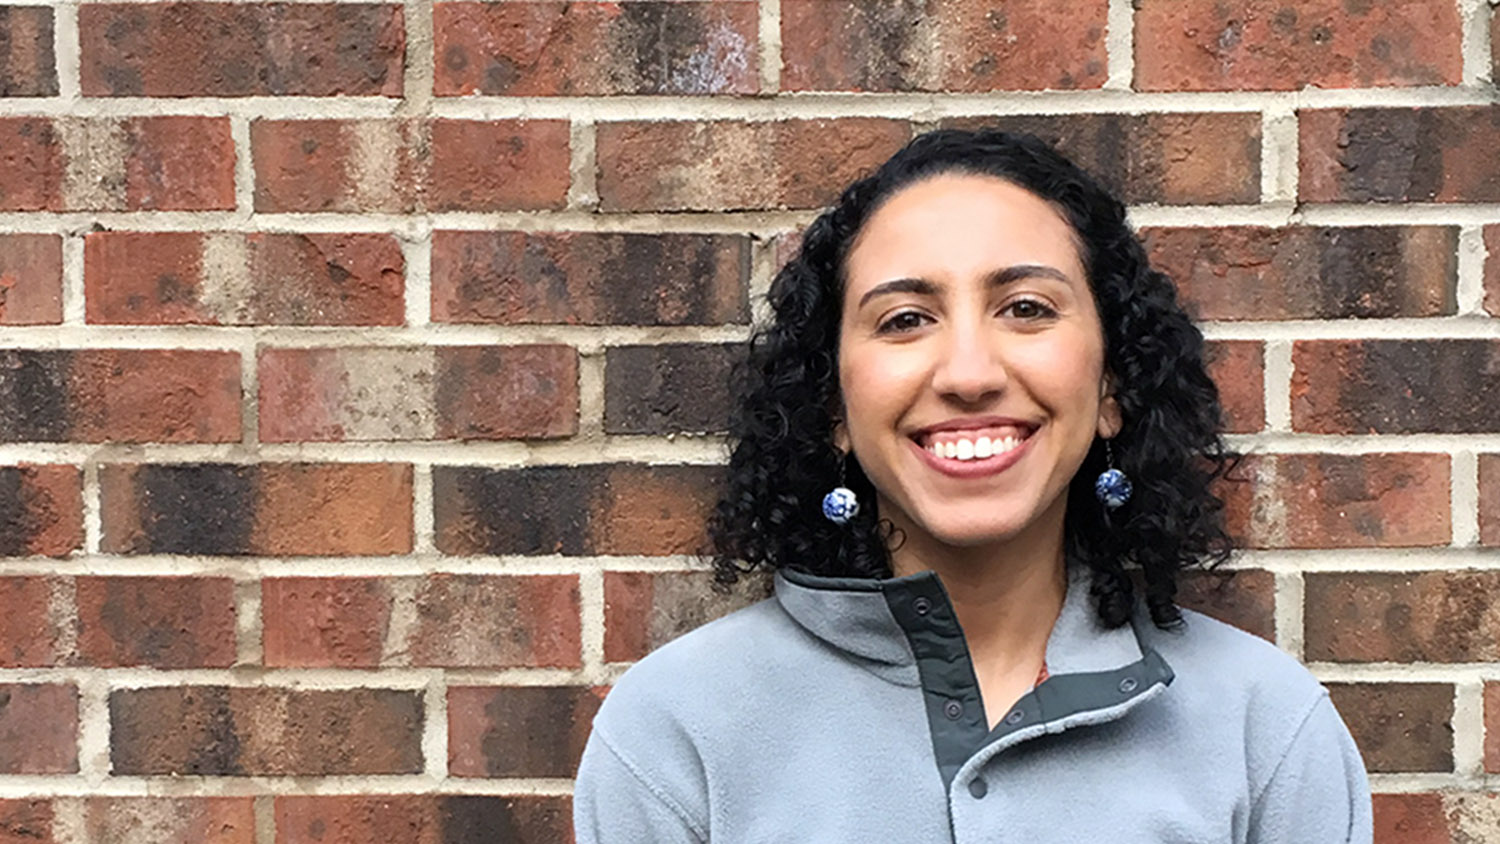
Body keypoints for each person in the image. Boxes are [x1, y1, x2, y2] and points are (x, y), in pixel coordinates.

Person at [572, 128, 1373, 843]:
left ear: (1110, 391)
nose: (968, 373)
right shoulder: (675, 731)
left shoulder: (1264, 726)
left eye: (1026, 308)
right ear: (834, 409)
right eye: (905, 319)